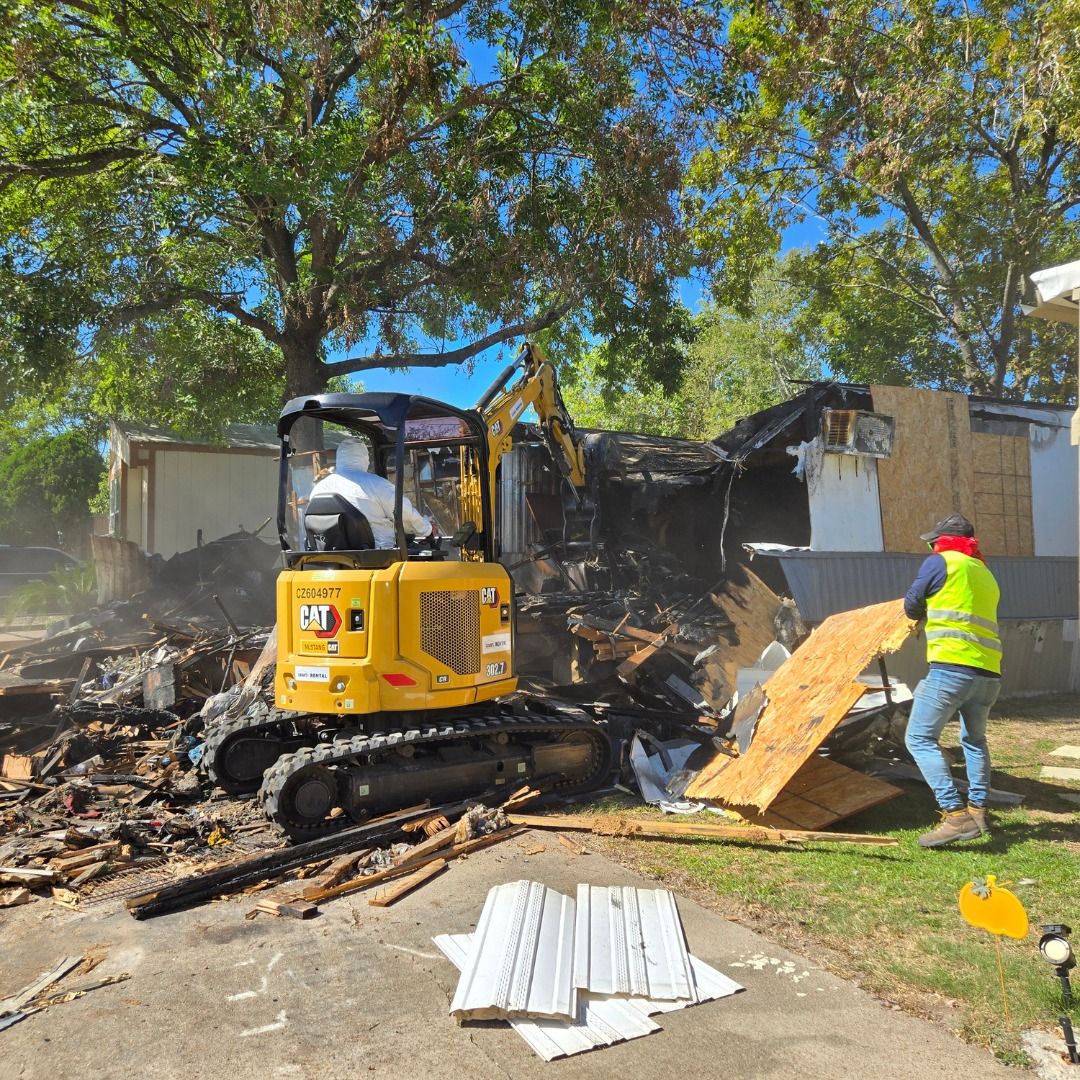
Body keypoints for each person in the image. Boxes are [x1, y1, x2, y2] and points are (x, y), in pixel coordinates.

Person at [903, 512, 1001, 848]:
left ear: (943, 541)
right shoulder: (984, 571)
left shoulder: (941, 562)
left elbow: (912, 604)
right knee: (974, 741)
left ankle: (954, 816)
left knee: (919, 738)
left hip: (951, 670)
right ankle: (977, 811)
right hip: (988, 674)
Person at [305, 438, 434, 549]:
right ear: (364, 459)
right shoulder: (376, 485)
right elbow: (404, 513)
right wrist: (427, 529)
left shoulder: (318, 489)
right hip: (378, 559)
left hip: (330, 562)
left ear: (340, 458)